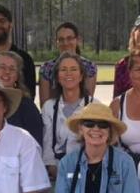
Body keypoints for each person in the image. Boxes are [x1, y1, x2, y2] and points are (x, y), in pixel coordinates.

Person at [41, 52, 98, 180]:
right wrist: (53, 169)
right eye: (63, 70)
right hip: (57, 172)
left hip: (88, 172)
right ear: (57, 76)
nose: (68, 74)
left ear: (81, 76)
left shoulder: (95, 106)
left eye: (73, 69)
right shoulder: (49, 107)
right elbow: (47, 143)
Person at [38, 22, 97, 106]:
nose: (65, 43)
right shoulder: (46, 68)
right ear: (56, 42)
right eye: (61, 39)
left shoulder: (89, 67)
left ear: (77, 40)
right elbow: (44, 104)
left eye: (69, 38)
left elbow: (87, 101)